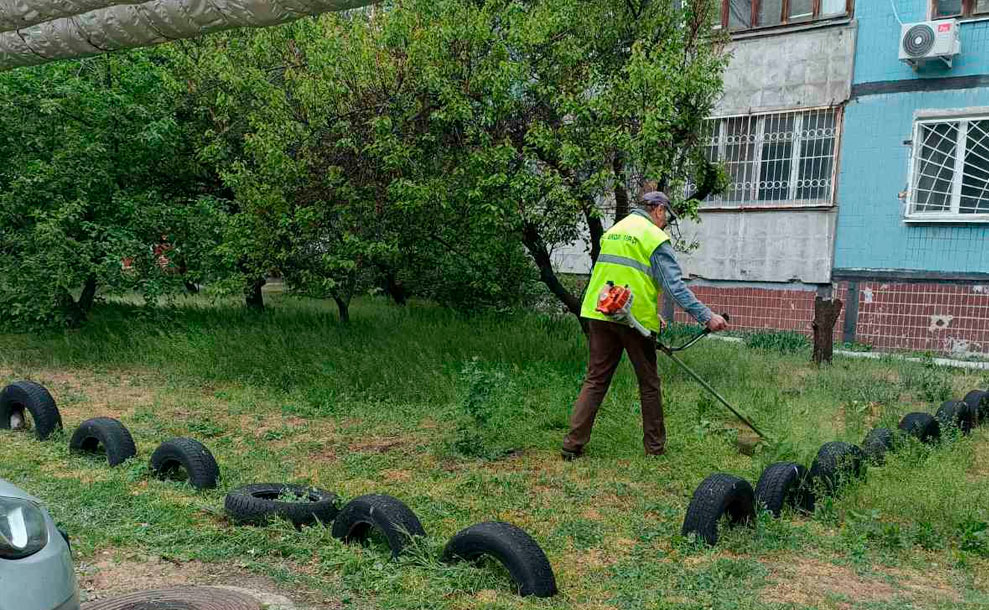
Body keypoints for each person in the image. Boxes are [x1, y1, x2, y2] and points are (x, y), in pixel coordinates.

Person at [562, 190, 728, 460]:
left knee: (595, 379)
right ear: (659, 210)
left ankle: (572, 444)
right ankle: (655, 449)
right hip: (631, 320)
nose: (665, 224)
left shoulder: (616, 230)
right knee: (649, 383)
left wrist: (652, 313)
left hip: (599, 311)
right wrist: (706, 316)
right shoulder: (654, 237)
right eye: (667, 217)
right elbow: (674, 288)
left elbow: (620, 274)